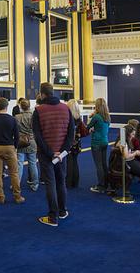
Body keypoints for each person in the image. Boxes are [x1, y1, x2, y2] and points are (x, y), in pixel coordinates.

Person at [32, 83, 74, 227]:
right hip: (62, 154)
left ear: (42, 94)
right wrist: (62, 152)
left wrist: (50, 153)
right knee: (61, 181)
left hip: (46, 154)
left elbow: (38, 136)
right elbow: (71, 134)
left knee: (50, 183)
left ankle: (52, 217)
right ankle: (62, 211)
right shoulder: (66, 108)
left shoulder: (38, 110)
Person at [0, 97, 24, 204]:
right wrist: (15, 147)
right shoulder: (12, 119)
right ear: (7, 107)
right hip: (9, 147)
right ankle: (17, 196)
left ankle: (0, 196)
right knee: (14, 173)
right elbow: (17, 136)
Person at [87, 98, 111, 194]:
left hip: (96, 142)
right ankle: (106, 183)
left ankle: (101, 186)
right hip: (105, 142)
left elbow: (87, 127)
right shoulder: (107, 117)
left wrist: (91, 117)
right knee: (104, 164)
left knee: (99, 165)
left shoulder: (96, 116)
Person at [15, 98, 39, 191]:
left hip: (21, 141)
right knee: (33, 163)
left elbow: (15, 131)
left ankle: (16, 184)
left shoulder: (17, 117)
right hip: (32, 141)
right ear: (29, 106)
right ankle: (35, 184)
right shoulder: (34, 117)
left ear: (21, 106)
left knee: (19, 164)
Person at [66, 99, 84, 189]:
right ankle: (75, 182)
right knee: (75, 162)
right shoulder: (79, 119)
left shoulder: (68, 119)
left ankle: (68, 183)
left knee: (69, 163)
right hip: (77, 143)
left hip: (69, 143)